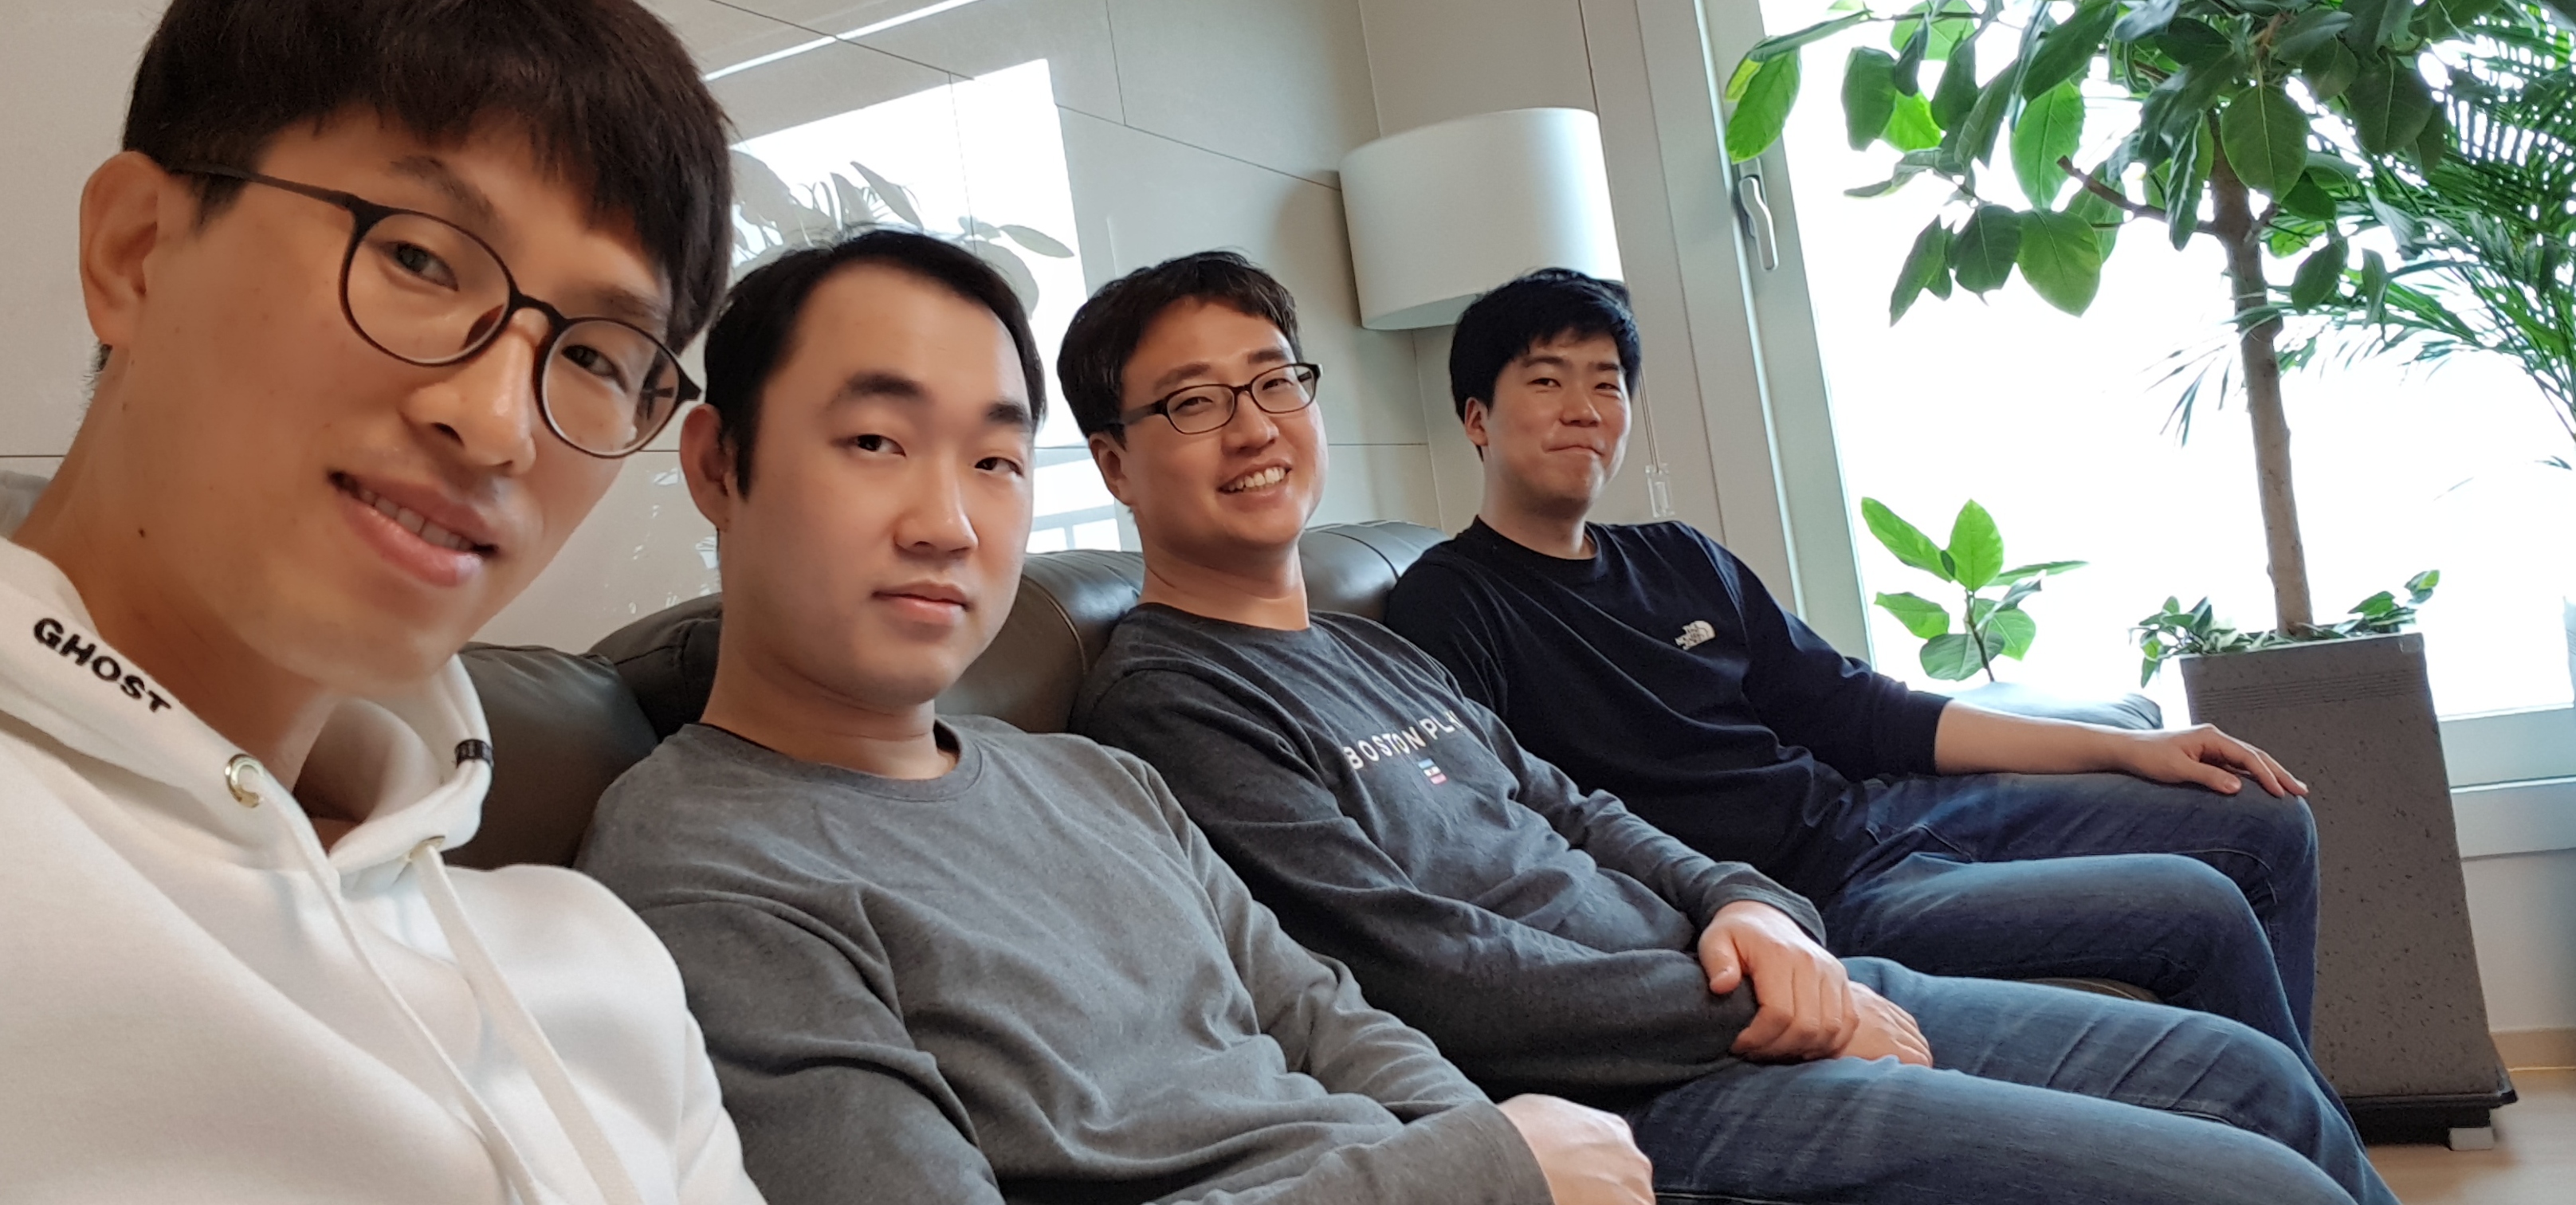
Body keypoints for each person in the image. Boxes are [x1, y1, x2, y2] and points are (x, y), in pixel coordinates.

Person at [1061, 251, 2397, 1205]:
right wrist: (1767, 994)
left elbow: (1576, 810)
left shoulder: (1368, 647)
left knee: (2258, 1084)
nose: (1253, 426)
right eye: (1193, 401)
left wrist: (1747, 906)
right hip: (1659, 1081)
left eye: (1274, 382)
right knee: (2252, 1180)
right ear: (1115, 459)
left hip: (1755, 973)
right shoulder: (1173, 699)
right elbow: (1425, 970)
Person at [578, 232, 1651, 1205]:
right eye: (874, 440)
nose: (948, 525)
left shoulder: (1101, 780)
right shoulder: (706, 866)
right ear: (718, 464)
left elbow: (1324, 1015)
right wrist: (1485, 1171)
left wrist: (1503, 1154)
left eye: (995, 462)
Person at [0, 0, 759, 1203]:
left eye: (594, 355)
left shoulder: (600, 972)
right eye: (420, 258)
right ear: (138, 252)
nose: (497, 423)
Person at [1380, 269, 2325, 1057]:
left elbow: (1860, 710)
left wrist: (2127, 749)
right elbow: (1496, 829)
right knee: (2197, 908)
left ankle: (2293, 1144)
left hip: (1883, 815)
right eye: (1547, 382)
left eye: (1607, 384)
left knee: (2264, 820)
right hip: (1813, 897)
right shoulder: (1449, 602)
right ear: (1477, 418)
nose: (1585, 410)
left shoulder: (1678, 554)